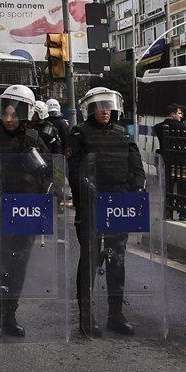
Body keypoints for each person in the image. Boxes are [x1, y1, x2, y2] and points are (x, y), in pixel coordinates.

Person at [66, 87, 145, 336]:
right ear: (90, 109)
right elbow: (75, 170)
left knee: (116, 258)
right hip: (92, 205)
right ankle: (86, 315)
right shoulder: (79, 134)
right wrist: (90, 193)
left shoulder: (123, 135)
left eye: (108, 106)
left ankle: (116, 313)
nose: (105, 110)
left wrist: (136, 189)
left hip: (119, 205)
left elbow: (137, 167)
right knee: (89, 258)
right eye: (100, 106)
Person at [0, 84, 50, 338]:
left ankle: (10, 314)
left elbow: (51, 171)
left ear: (25, 113)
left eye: (14, 114)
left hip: (26, 210)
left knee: (19, 264)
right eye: (5, 113)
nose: (8, 119)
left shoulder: (34, 138)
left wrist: (49, 193)